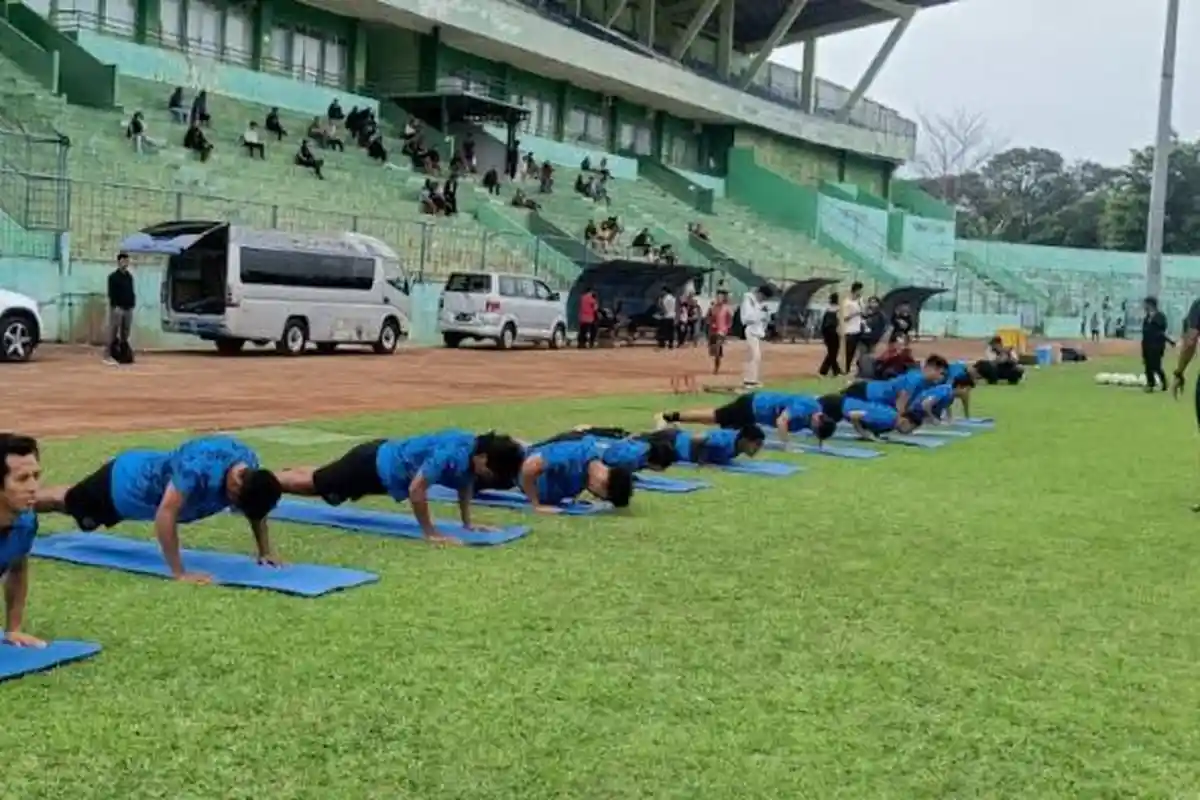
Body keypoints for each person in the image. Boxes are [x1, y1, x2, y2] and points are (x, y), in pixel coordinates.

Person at [36, 435, 283, 584]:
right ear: (238, 480)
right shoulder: (196, 467)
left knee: (74, 504)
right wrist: (179, 573)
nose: (231, 505)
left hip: (136, 497)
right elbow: (166, 513)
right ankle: (15, 504)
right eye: (234, 500)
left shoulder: (251, 469)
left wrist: (265, 551)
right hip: (121, 484)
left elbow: (257, 511)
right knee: (68, 502)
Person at [277, 431, 525, 544]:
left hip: (376, 460)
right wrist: (431, 532)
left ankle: (285, 473)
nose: (489, 478)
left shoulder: (472, 450)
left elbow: (465, 484)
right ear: (483, 458)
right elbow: (417, 490)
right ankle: (267, 481)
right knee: (316, 486)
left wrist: (468, 523)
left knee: (322, 477)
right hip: (370, 467)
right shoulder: (451, 453)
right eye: (491, 472)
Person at [656, 390, 838, 445]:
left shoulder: (815, 414)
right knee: (714, 417)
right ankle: (670, 417)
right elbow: (781, 421)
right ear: (818, 419)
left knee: (718, 423)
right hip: (751, 406)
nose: (811, 430)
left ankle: (674, 424)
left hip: (754, 414)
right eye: (814, 430)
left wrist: (821, 441)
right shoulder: (805, 407)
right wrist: (787, 446)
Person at [0, 434, 44, 647]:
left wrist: (13, 629)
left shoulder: (26, 522)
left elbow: (17, 568)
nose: (33, 487)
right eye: (22, 479)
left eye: (36, 476)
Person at [517, 437, 634, 513]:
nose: (596, 497)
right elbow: (528, 467)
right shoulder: (571, 458)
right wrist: (536, 505)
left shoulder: (588, 471)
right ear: (603, 483)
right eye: (601, 496)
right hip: (510, 469)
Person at [842, 355, 949, 415]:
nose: (942, 378)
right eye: (941, 374)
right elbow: (900, 404)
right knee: (834, 406)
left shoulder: (924, 382)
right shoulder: (915, 379)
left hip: (870, 393)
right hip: (865, 392)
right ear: (931, 368)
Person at [741, 285, 773, 388]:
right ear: (760, 294)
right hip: (751, 330)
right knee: (754, 356)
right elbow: (746, 318)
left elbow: (762, 318)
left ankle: (752, 379)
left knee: (756, 356)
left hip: (756, 332)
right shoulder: (749, 301)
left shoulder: (757, 303)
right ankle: (748, 380)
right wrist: (761, 313)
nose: (763, 300)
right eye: (763, 297)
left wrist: (764, 314)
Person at [105, 251, 135, 366]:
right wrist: (115, 306)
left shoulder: (129, 277)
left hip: (128, 308)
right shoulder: (113, 277)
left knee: (125, 332)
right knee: (113, 331)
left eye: (126, 261)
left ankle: (122, 354)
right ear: (118, 262)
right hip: (117, 308)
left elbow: (131, 292)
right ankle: (108, 355)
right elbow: (111, 293)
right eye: (123, 261)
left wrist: (132, 304)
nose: (125, 263)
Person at [1142, 296, 1171, 392]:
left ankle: (1164, 383)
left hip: (1157, 345)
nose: (1144, 306)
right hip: (1147, 344)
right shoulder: (1147, 317)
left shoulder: (1160, 317)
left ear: (1151, 305)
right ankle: (1150, 384)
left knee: (1156, 366)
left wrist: (1169, 341)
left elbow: (1161, 331)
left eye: (1146, 304)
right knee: (1147, 366)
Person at [707, 289, 733, 374]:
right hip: (713, 331)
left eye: (720, 297)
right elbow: (708, 318)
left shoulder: (726, 308)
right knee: (713, 350)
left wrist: (727, 328)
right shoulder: (712, 307)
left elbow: (730, 319)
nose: (719, 299)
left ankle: (716, 368)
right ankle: (717, 361)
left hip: (721, 331)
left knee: (717, 349)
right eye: (718, 297)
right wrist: (711, 323)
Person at [841, 282, 865, 373]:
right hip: (850, 330)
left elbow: (863, 313)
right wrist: (856, 313)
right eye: (860, 290)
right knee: (848, 352)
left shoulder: (860, 301)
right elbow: (845, 317)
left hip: (858, 329)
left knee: (856, 351)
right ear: (856, 290)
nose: (861, 292)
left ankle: (852, 368)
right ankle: (844, 369)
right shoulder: (847, 302)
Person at [818, 292, 841, 377]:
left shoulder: (827, 309)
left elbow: (823, 324)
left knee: (832, 352)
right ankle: (829, 371)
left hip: (827, 332)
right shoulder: (839, 309)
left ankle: (831, 370)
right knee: (833, 352)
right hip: (834, 332)